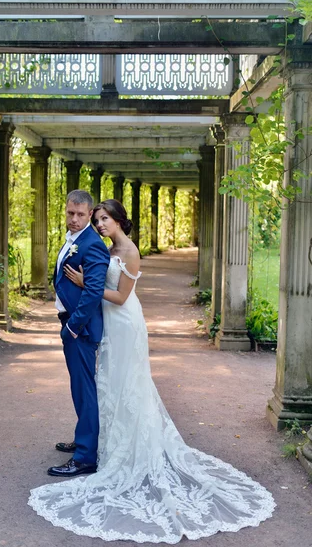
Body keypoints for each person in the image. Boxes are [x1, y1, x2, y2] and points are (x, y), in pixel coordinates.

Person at [29, 199, 275, 543]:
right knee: (107, 384)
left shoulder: (128, 252)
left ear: (118, 221)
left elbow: (121, 296)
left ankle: (107, 447)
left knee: (125, 383)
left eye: (104, 220)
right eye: (97, 220)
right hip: (110, 322)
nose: (100, 225)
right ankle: (98, 440)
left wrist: (88, 285)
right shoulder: (108, 247)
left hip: (124, 321)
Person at [47, 190, 110, 477]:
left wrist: (73, 327)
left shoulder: (92, 244)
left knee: (85, 391)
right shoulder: (73, 239)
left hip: (80, 330)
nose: (74, 219)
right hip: (70, 324)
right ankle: (82, 438)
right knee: (78, 388)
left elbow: (95, 291)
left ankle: (85, 457)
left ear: (89, 215)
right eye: (70, 213)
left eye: (80, 215)